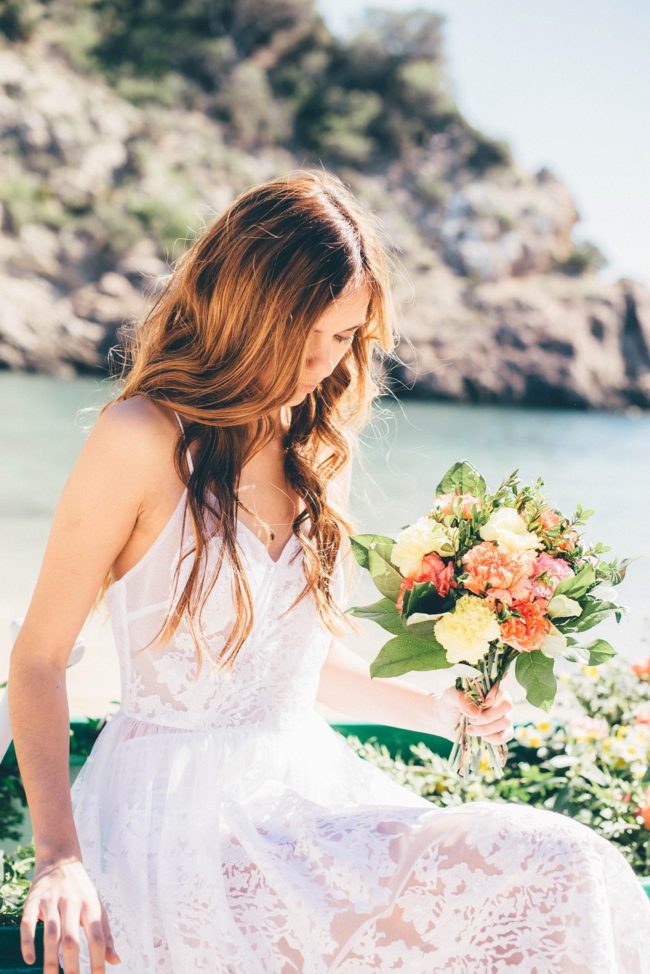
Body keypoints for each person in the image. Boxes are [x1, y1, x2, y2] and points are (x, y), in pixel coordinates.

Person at [8, 168, 650, 974]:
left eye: (344, 336)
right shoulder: (140, 437)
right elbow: (37, 660)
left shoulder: (316, 450)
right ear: (244, 309)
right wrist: (59, 858)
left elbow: (301, 671)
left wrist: (439, 709)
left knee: (567, 866)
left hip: (299, 792)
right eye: (305, 333)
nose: (321, 361)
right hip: (174, 818)